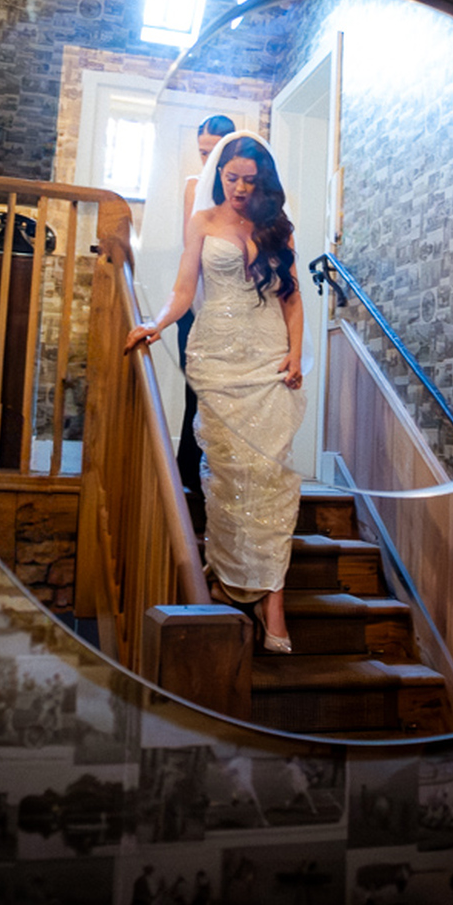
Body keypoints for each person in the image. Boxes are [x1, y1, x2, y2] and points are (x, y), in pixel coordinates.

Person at [126, 133, 304, 652]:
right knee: (227, 471)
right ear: (218, 176)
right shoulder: (203, 222)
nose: (240, 189)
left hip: (269, 358)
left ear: (263, 181)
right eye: (232, 179)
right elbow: (184, 291)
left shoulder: (277, 228)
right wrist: (154, 323)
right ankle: (229, 572)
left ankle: (273, 595)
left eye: (250, 180)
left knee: (271, 473)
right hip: (217, 359)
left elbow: (291, 299)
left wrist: (295, 353)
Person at [174, 114, 236, 532]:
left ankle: (227, 477)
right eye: (202, 150)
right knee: (197, 392)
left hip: (238, 312)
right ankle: (187, 472)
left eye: (213, 149)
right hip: (197, 305)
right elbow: (189, 253)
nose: (206, 157)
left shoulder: (245, 194)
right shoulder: (194, 188)